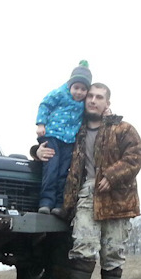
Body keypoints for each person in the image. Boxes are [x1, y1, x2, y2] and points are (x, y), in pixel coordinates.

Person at [42, 82, 141, 279]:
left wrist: (112, 175)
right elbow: (53, 143)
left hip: (119, 197)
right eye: (90, 96)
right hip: (87, 194)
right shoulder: (75, 130)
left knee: (114, 249)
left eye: (99, 97)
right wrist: (37, 150)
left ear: (107, 103)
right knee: (83, 243)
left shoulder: (123, 129)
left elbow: (135, 156)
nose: (93, 100)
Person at [34, 60, 92, 216]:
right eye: (76, 88)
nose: (79, 92)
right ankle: (46, 201)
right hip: (52, 136)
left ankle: (59, 204)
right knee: (51, 168)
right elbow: (45, 104)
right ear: (69, 85)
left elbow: (96, 110)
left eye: (83, 89)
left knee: (64, 172)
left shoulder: (84, 104)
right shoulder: (59, 93)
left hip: (69, 141)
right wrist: (41, 124)